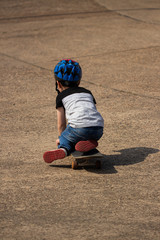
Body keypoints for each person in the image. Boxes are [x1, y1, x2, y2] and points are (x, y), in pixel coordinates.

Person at [43, 59, 104, 163]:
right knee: (85, 130)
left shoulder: (61, 97)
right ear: (79, 82)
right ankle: (90, 141)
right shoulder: (87, 92)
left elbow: (61, 124)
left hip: (79, 129)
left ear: (58, 84)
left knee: (68, 137)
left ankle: (63, 149)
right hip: (98, 128)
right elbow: (91, 111)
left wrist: (62, 138)